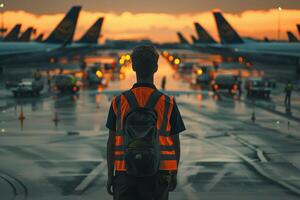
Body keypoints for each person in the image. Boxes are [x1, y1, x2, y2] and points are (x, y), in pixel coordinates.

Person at [106, 45, 185, 200]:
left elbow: (111, 143)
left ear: (133, 66)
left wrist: (111, 176)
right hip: (159, 174)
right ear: (156, 68)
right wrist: (174, 173)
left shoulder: (118, 102)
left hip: (124, 174)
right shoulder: (168, 103)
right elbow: (175, 142)